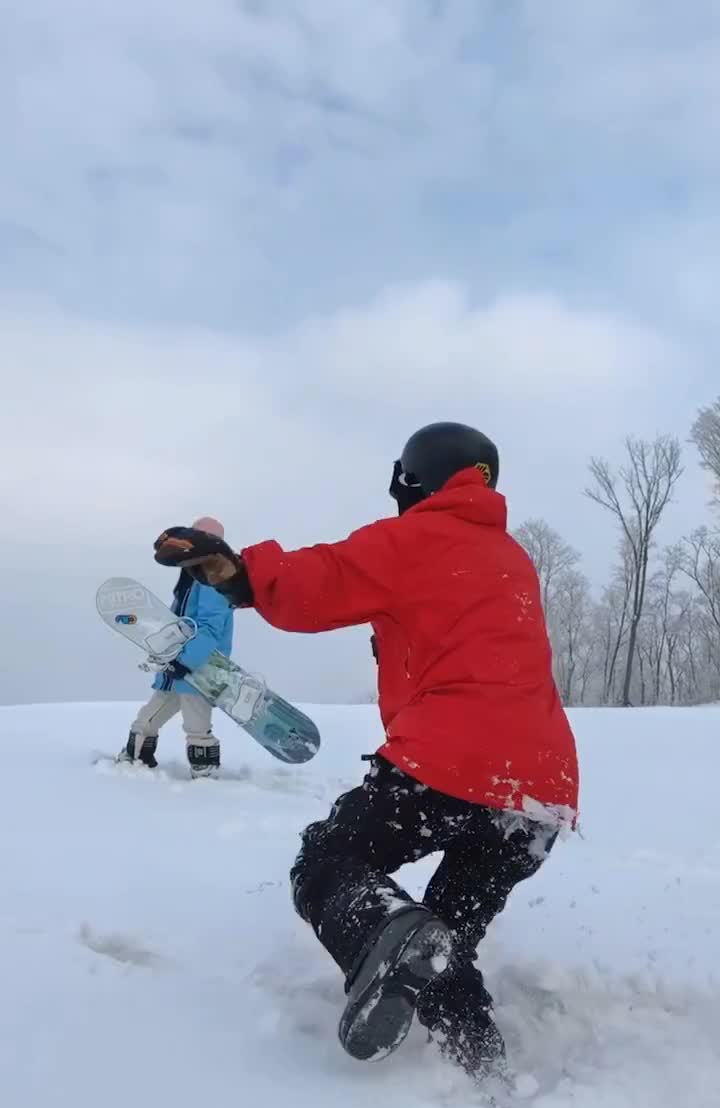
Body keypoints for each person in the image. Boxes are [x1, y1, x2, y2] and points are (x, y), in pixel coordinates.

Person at [152, 425, 579, 1074]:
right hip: (541, 796)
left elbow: (319, 579)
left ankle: (386, 938)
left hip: (456, 762)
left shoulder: (416, 537)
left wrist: (238, 575)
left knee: (327, 863)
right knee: (440, 943)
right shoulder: (512, 559)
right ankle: (482, 1072)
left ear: (414, 479)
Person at [119, 517, 234, 778]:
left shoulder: (214, 580)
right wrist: (166, 652)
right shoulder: (192, 578)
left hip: (200, 668)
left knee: (196, 723)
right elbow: (177, 622)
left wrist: (186, 661)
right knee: (147, 719)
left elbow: (210, 628)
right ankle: (135, 759)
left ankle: (205, 773)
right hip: (176, 665)